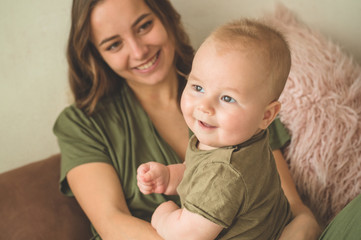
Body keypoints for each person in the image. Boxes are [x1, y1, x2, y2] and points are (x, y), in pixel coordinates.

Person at [53, 0, 321, 239]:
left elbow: (282, 199)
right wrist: (168, 187)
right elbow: (112, 224)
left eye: (144, 26)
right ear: (96, 56)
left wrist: (303, 224)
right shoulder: (82, 124)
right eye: (114, 44)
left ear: (165, 16)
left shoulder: (241, 85)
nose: (138, 51)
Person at [136, 19, 292, 240]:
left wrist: (163, 216)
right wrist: (169, 176)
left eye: (227, 98)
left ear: (266, 115)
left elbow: (186, 235)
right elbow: (199, 175)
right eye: (198, 87)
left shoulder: (225, 171)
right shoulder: (242, 141)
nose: (204, 106)